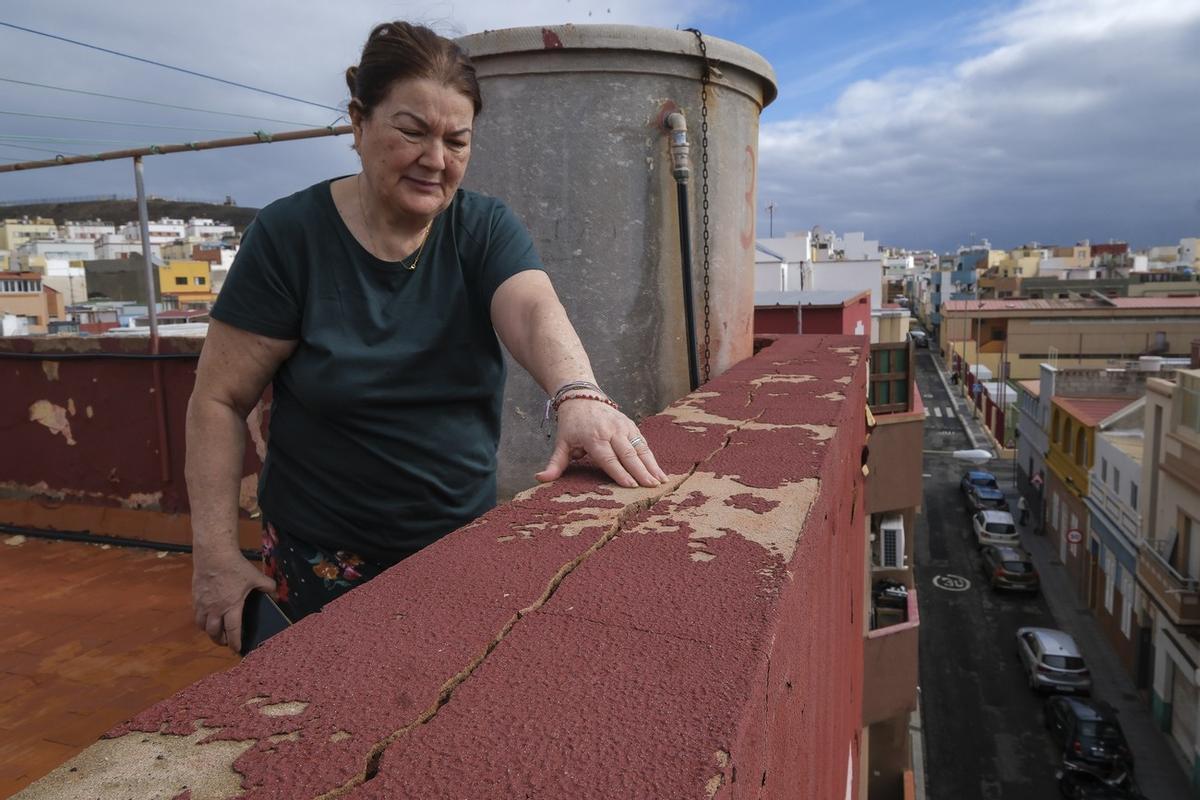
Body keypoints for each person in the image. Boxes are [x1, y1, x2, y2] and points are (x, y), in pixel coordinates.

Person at [187, 21, 668, 654]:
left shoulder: (483, 228)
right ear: (358, 124)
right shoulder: (289, 237)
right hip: (321, 556)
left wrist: (578, 392)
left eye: (456, 140)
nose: (435, 159)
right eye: (411, 131)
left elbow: (530, 307)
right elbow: (218, 400)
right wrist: (216, 560)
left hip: (458, 543)